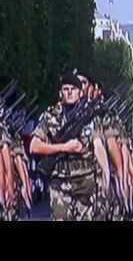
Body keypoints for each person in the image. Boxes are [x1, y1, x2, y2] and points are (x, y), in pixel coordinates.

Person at [30, 72, 108, 221]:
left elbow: (98, 145)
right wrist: (64, 147)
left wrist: (106, 173)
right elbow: (34, 146)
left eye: (73, 89)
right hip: (60, 185)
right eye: (66, 89)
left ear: (80, 92)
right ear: (60, 93)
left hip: (85, 184)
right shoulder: (50, 116)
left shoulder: (89, 115)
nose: (70, 92)